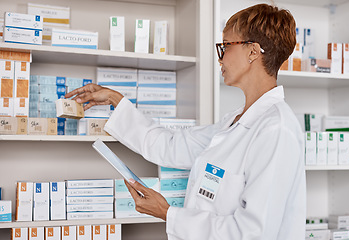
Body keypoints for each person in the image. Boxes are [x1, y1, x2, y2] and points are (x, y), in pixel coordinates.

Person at [65, 3, 306, 239]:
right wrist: (114, 98)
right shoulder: (234, 122)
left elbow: (253, 233)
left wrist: (168, 214)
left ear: (253, 51)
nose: (220, 58)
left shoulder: (276, 129)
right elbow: (170, 144)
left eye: (226, 47)